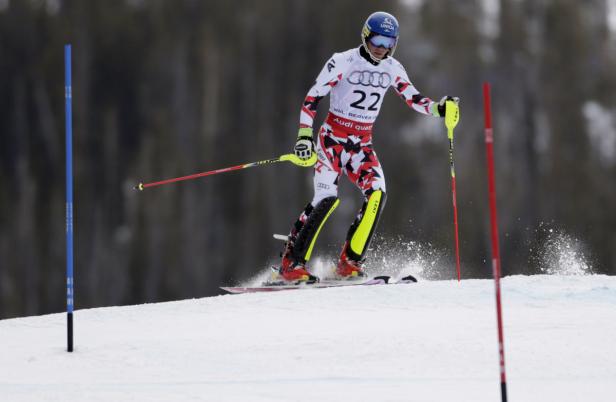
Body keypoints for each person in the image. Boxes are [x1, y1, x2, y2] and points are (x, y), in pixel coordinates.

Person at [278, 11, 459, 283]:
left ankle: (350, 262)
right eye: (376, 41)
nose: (381, 49)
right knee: (326, 199)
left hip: (362, 144)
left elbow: (413, 98)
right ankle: (292, 264)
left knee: (377, 194)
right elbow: (312, 98)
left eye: (388, 43)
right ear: (365, 36)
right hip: (332, 141)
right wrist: (304, 135)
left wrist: (439, 108)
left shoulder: (392, 68)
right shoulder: (343, 61)